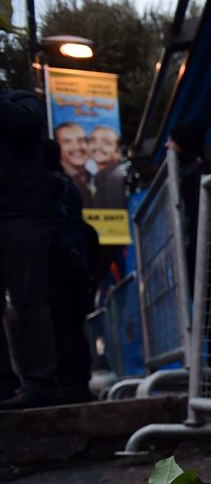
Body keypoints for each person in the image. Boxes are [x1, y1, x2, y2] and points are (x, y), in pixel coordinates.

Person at [0, 88, 58, 410]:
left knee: (28, 300)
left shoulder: (22, 100)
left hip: (21, 212)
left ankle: (39, 383)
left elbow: (26, 125)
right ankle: (4, 385)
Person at [167, 122, 211, 371]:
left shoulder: (197, 172)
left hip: (208, 248)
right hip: (206, 247)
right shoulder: (193, 170)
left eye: (172, 140)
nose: (167, 147)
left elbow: (205, 217)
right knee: (209, 303)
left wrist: (199, 248)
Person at [44, 140, 102, 403]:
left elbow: (59, 230)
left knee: (63, 328)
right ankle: (77, 384)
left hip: (61, 266)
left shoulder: (53, 185)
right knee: (72, 330)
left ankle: (71, 386)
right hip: (74, 268)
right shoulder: (66, 185)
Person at [54, 121, 95, 206]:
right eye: (67, 142)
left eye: (81, 140)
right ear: (57, 146)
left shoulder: (92, 176)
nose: (77, 147)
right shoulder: (58, 181)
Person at [89, 125, 126, 209]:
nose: (97, 146)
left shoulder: (113, 179)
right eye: (93, 141)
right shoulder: (100, 176)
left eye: (106, 143)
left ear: (118, 152)